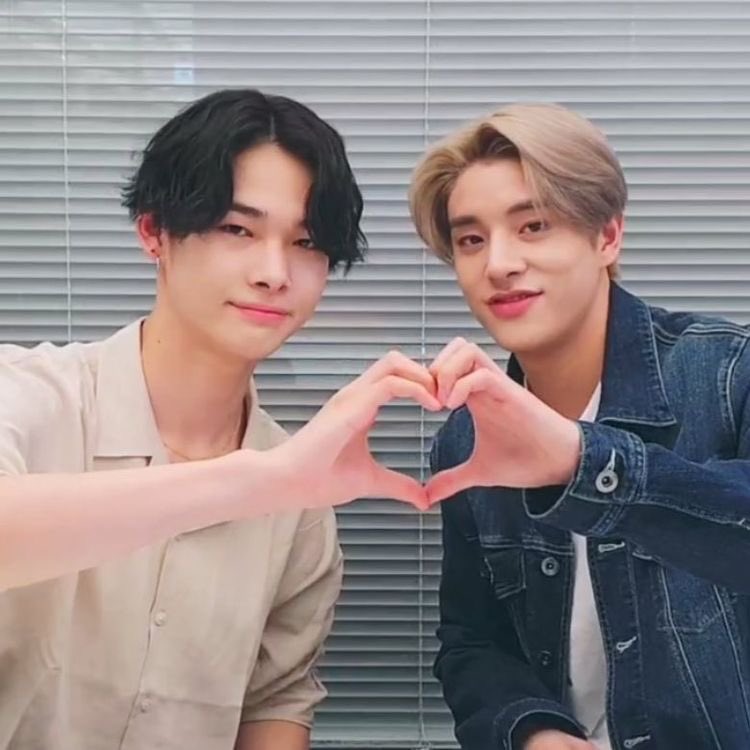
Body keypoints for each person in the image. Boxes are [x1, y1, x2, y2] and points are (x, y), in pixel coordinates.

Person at [0, 88, 439, 750]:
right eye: (237, 229)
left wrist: (282, 482)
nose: (273, 272)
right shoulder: (29, 395)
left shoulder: (301, 505)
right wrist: (261, 481)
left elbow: (276, 701)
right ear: (154, 232)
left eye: (306, 242)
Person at [409, 103, 750, 750]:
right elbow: (473, 643)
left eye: (533, 225)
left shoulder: (728, 375)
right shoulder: (465, 440)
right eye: (471, 239)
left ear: (607, 237)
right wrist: (534, 731)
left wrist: (580, 462)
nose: (498, 264)